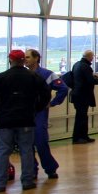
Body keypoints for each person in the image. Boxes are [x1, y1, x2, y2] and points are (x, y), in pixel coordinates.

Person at [0, 49, 49, 192]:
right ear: (23, 61)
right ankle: (27, 181)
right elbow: (45, 94)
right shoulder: (33, 77)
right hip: (26, 119)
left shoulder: (0, 77)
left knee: (2, 151)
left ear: (10, 60)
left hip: (5, 119)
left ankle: (0, 183)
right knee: (26, 150)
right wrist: (36, 109)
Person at [22, 49, 66, 180]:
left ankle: (50, 168)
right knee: (26, 143)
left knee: (41, 142)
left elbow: (63, 88)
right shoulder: (21, 74)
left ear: (36, 58)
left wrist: (52, 103)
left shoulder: (47, 74)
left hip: (39, 112)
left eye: (28, 57)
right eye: (24, 57)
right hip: (24, 113)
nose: (26, 59)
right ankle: (31, 169)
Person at [70, 50, 98, 143]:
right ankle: (79, 137)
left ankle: (83, 136)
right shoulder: (86, 67)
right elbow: (90, 80)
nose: (93, 58)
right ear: (89, 57)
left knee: (81, 116)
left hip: (76, 94)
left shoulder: (76, 64)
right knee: (81, 116)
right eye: (92, 56)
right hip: (83, 95)